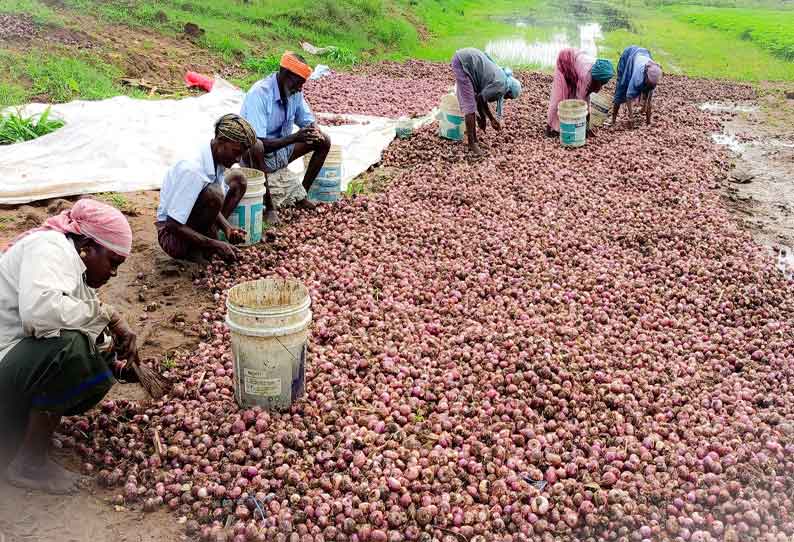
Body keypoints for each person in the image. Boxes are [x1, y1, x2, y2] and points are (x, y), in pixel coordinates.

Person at [0, 199, 139, 494]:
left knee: (90, 350)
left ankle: (26, 430)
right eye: (113, 263)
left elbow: (79, 314)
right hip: (5, 358)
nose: (113, 273)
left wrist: (113, 355)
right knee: (71, 348)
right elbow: (40, 313)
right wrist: (107, 315)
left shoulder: (71, 262)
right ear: (88, 245)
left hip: (12, 361)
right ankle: (30, 464)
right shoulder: (49, 249)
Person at [241, 51, 331, 224]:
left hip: (281, 152)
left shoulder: (294, 92)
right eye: (298, 83)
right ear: (285, 74)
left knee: (323, 141)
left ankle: (300, 195)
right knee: (256, 146)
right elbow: (258, 143)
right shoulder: (259, 94)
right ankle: (269, 208)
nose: (300, 88)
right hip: (256, 158)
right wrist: (295, 137)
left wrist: (314, 130)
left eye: (302, 84)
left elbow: (307, 119)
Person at [156, 113, 258, 263]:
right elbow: (172, 224)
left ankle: (209, 238)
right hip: (172, 237)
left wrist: (228, 228)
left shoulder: (215, 156)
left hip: (192, 217)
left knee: (238, 179)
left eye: (241, 155)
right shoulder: (193, 170)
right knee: (214, 194)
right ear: (221, 141)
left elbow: (207, 200)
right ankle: (196, 248)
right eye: (236, 152)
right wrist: (214, 244)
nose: (237, 160)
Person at [450, 47, 522, 157]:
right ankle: (472, 143)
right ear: (509, 92)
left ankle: (475, 140)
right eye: (509, 97)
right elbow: (480, 99)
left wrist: (491, 118)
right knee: (470, 107)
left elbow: (482, 97)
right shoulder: (501, 86)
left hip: (467, 59)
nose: (507, 99)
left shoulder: (503, 80)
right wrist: (483, 118)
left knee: (472, 104)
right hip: (464, 62)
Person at [546, 48, 615, 137]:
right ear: (597, 79)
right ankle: (549, 127)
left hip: (575, 64)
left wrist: (587, 128)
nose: (603, 84)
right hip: (565, 60)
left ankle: (562, 125)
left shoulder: (597, 71)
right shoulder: (586, 76)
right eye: (602, 82)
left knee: (572, 96)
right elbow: (581, 104)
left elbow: (587, 99)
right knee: (558, 99)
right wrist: (583, 130)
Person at [612, 45, 662, 127]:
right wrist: (631, 117)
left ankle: (645, 115)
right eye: (649, 83)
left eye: (652, 84)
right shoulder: (638, 76)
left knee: (647, 91)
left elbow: (649, 100)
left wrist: (648, 123)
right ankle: (613, 121)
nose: (651, 85)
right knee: (621, 87)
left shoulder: (654, 78)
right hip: (630, 55)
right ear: (645, 76)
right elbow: (628, 96)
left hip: (644, 53)